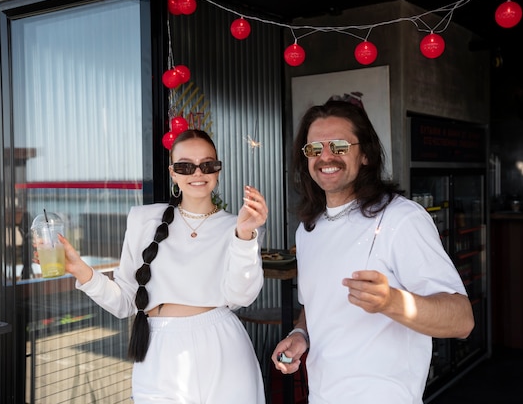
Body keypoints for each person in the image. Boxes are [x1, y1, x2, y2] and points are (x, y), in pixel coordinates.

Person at [271, 100, 474, 403]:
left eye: (339, 146)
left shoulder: (401, 219)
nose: (325, 156)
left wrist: (392, 301)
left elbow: (462, 321)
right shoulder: (309, 230)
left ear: (365, 153)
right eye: (314, 149)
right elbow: (315, 308)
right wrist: (300, 335)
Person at [58, 129, 268, 403]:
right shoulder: (143, 219)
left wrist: (244, 237)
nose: (197, 173)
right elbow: (124, 303)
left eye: (207, 165)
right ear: (173, 173)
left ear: (218, 171)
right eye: (185, 166)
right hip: (158, 346)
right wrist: (80, 271)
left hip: (222, 345)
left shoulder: (238, 225)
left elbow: (241, 296)